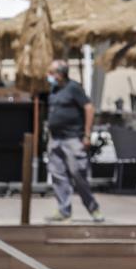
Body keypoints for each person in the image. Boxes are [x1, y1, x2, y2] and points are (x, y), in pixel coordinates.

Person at [44, 60, 104, 223]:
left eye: (51, 72)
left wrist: (86, 134)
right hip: (56, 139)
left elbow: (89, 108)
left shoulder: (74, 88)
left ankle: (93, 208)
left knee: (78, 174)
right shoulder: (54, 89)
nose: (48, 76)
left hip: (73, 139)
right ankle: (64, 210)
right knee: (58, 175)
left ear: (60, 73)